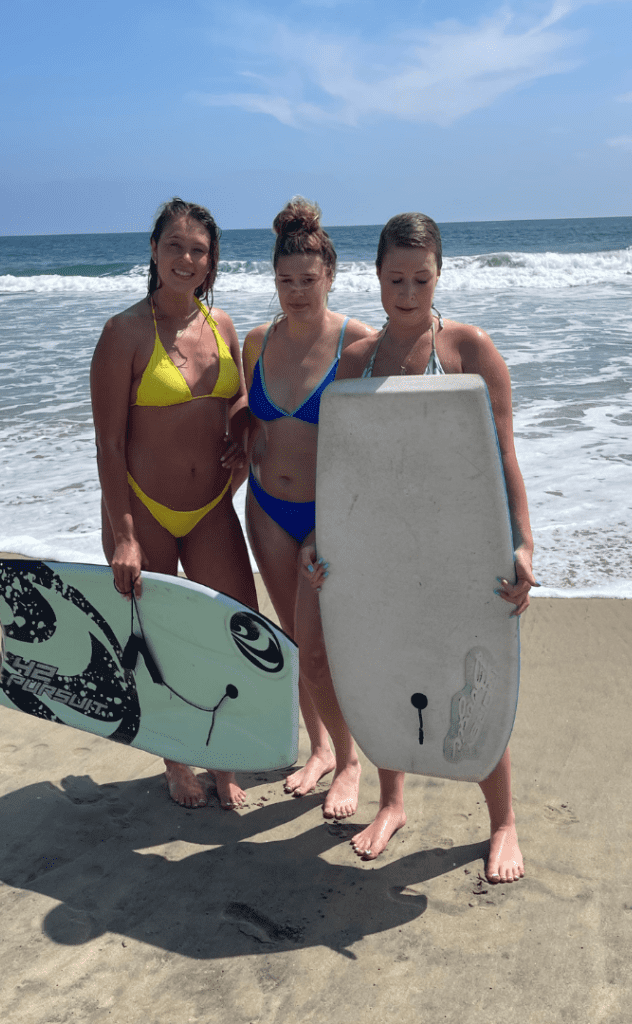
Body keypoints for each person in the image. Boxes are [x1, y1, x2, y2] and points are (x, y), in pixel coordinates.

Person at [306, 212, 536, 881]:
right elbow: (341, 467)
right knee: (389, 666)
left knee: (475, 670)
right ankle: (392, 803)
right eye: (396, 279)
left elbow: (504, 456)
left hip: (461, 541)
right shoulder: (358, 361)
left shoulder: (469, 349)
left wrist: (523, 545)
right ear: (377, 276)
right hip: (381, 544)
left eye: (421, 279)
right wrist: (320, 538)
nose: (407, 292)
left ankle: (503, 822)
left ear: (439, 276)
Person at [90, 198, 257, 811]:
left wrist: (242, 438)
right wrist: (125, 536)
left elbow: (235, 402)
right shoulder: (124, 333)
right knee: (159, 644)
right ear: (154, 251)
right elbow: (109, 443)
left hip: (211, 506)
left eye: (199, 250)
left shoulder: (223, 326)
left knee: (235, 627)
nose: (186, 259)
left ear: (212, 261)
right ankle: (176, 760)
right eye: (175, 246)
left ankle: (224, 758)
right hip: (144, 510)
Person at [242, 198, 373, 819]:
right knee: (294, 641)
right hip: (267, 507)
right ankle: (318, 748)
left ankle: (350, 761)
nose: (296, 292)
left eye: (308, 280)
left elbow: (373, 447)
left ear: (330, 276)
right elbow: (246, 418)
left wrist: (338, 524)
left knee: (321, 651)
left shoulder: (358, 344)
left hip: (328, 519)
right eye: (286, 281)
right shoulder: (256, 342)